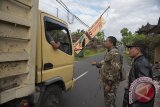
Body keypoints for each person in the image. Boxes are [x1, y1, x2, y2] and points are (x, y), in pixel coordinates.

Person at [92, 36, 121, 107]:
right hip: (106, 80)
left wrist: (109, 83)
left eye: (106, 41)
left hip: (110, 82)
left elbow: (116, 69)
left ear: (111, 43)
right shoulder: (109, 52)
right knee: (107, 100)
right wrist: (97, 64)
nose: (104, 42)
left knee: (110, 102)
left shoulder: (115, 53)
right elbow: (105, 62)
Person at [123, 40, 154, 107]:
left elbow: (144, 88)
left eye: (131, 48)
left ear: (137, 50)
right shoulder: (139, 61)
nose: (129, 50)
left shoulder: (141, 63)